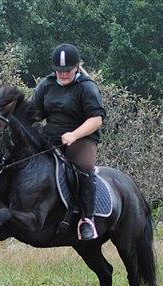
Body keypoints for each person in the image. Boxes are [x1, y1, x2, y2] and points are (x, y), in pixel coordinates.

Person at [32, 43, 106, 240]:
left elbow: (96, 119)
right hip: (51, 135)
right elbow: (34, 114)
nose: (63, 75)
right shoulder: (46, 85)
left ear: (77, 68)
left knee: (82, 168)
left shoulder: (86, 87)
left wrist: (74, 135)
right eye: (59, 71)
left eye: (67, 71)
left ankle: (86, 219)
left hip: (82, 137)